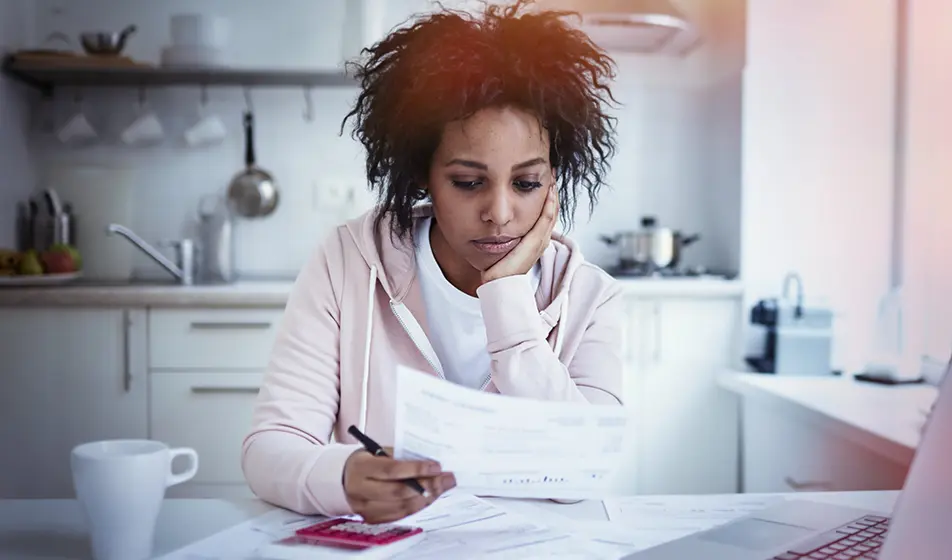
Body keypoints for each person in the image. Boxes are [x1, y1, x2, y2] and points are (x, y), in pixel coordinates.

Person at [241, 0, 624, 524]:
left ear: (555, 180)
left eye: (527, 183)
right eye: (468, 182)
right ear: (423, 173)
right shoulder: (348, 262)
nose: (499, 212)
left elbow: (587, 471)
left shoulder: (588, 296)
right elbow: (269, 449)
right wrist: (343, 477)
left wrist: (508, 298)